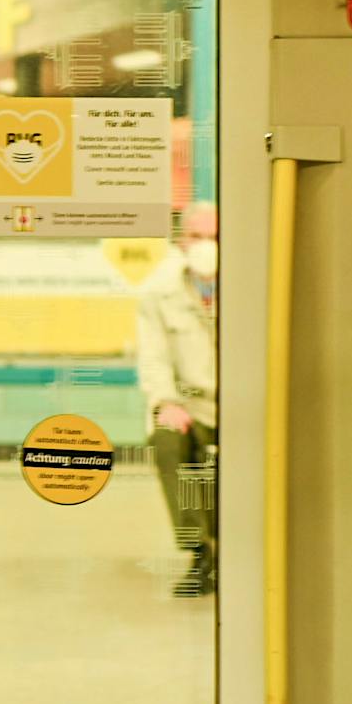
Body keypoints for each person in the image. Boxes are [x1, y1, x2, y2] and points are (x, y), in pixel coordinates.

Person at [137, 204, 219, 596]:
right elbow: (152, 356)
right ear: (182, 241)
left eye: (215, 237)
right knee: (169, 442)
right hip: (190, 404)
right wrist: (166, 402)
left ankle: (236, 549)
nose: (206, 246)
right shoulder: (158, 291)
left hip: (243, 405)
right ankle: (200, 550)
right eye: (198, 237)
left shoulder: (255, 283)